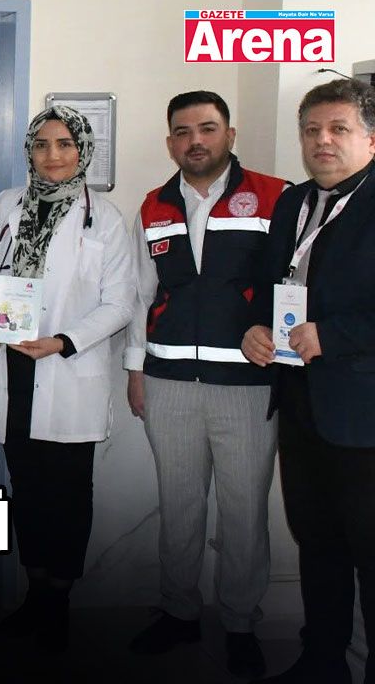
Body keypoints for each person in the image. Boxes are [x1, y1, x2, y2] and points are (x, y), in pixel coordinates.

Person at [124, 91, 286, 678]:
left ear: (230, 134)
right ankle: (179, 611)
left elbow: (293, 282)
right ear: (170, 142)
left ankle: (240, 621)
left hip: (247, 385)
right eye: (183, 131)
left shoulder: (275, 197)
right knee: (180, 506)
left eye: (208, 128)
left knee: (244, 510)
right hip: (168, 381)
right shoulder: (153, 206)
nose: (195, 140)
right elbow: (142, 295)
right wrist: (136, 370)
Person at [0, 105, 135, 652]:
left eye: (65, 144)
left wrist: (64, 341)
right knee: (28, 490)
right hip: (13, 367)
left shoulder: (104, 218)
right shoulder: (6, 205)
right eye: (41, 144)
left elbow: (120, 303)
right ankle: (36, 592)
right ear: (29, 151)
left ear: (82, 150)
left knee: (69, 495)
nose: (53, 155)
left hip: (66, 367)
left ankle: (58, 601)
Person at [242, 78, 375, 684]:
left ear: (370, 138)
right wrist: (254, 330)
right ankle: (321, 663)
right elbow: (271, 287)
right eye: (312, 130)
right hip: (299, 406)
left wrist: (334, 335)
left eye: (338, 128)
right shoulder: (293, 203)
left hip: (363, 417)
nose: (322, 140)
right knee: (318, 545)